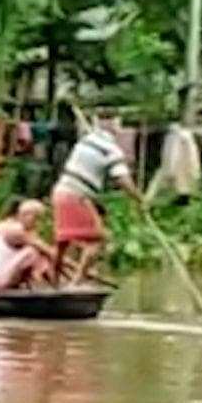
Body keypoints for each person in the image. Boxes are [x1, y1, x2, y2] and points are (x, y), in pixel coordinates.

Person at [52, 120, 144, 284]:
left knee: (62, 242)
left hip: (59, 192)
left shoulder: (86, 140)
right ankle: (76, 283)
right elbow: (123, 180)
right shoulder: (111, 150)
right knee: (96, 240)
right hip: (76, 195)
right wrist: (139, 199)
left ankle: (55, 280)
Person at [0, 198, 55, 292]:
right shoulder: (16, 231)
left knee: (34, 253)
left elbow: (48, 253)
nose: (37, 223)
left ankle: (48, 284)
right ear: (24, 216)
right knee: (31, 252)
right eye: (36, 218)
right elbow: (48, 252)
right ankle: (53, 284)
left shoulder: (25, 233)